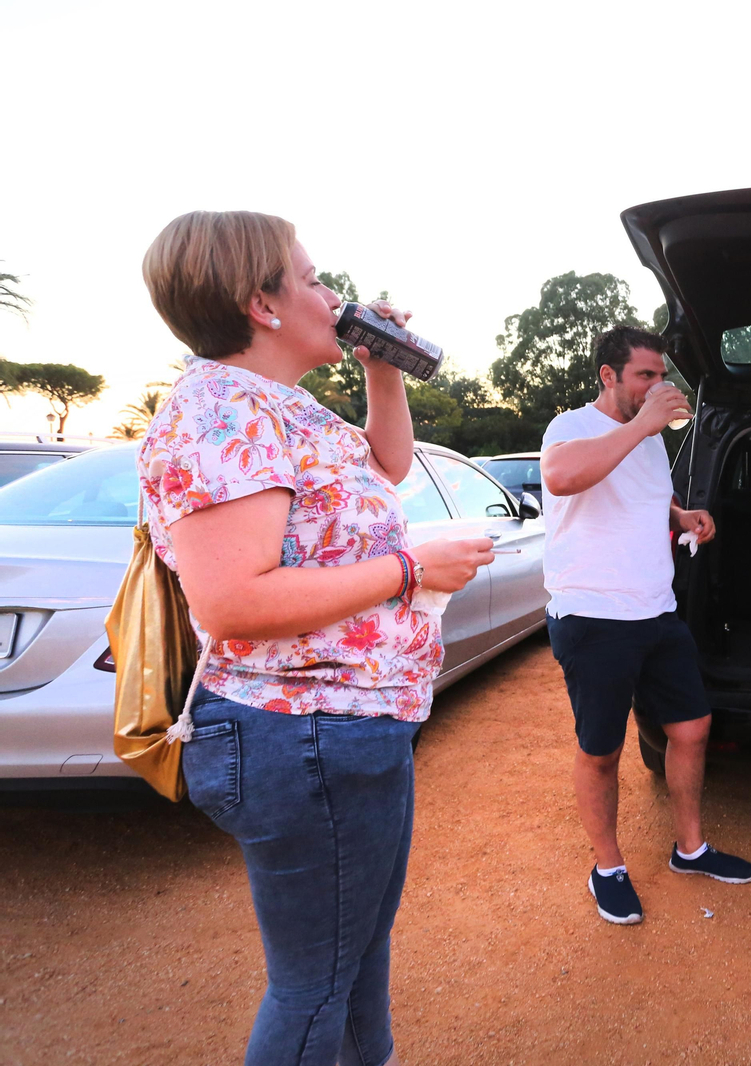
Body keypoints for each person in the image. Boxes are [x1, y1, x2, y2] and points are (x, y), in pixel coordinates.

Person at [139, 210, 494, 1066]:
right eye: (309, 278)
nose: (331, 294)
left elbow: (389, 465)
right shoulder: (221, 413)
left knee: (353, 959)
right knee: (314, 986)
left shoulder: (279, 406)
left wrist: (383, 370)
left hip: (344, 728)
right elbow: (232, 601)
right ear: (260, 304)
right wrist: (411, 569)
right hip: (302, 732)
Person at [540, 325, 751, 925]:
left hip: (656, 610)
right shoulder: (571, 426)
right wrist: (642, 426)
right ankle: (607, 868)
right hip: (593, 615)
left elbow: (644, 497)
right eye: (645, 375)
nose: (657, 385)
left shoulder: (653, 442)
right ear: (609, 376)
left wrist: (682, 515)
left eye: (661, 376)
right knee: (602, 750)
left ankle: (690, 849)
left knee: (691, 728)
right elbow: (561, 477)